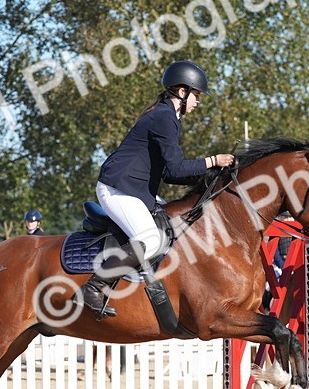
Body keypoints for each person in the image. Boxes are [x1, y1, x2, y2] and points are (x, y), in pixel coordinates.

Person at [76, 61, 235, 318]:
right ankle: (94, 288)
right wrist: (212, 161)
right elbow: (175, 168)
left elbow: (170, 174)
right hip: (118, 188)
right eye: (196, 95)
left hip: (134, 189)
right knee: (149, 239)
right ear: (182, 92)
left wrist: (211, 174)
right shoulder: (164, 117)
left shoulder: (168, 117)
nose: (198, 101)